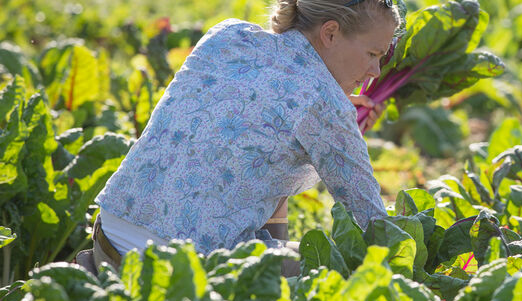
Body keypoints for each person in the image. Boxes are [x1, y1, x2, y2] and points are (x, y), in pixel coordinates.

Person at [86, 0, 400, 276]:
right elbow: (373, 220)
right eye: (373, 54)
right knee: (345, 271)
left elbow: (255, 140)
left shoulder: (228, 36)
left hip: (110, 239)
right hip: (184, 270)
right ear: (330, 33)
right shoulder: (324, 103)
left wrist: (338, 127)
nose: (375, 70)